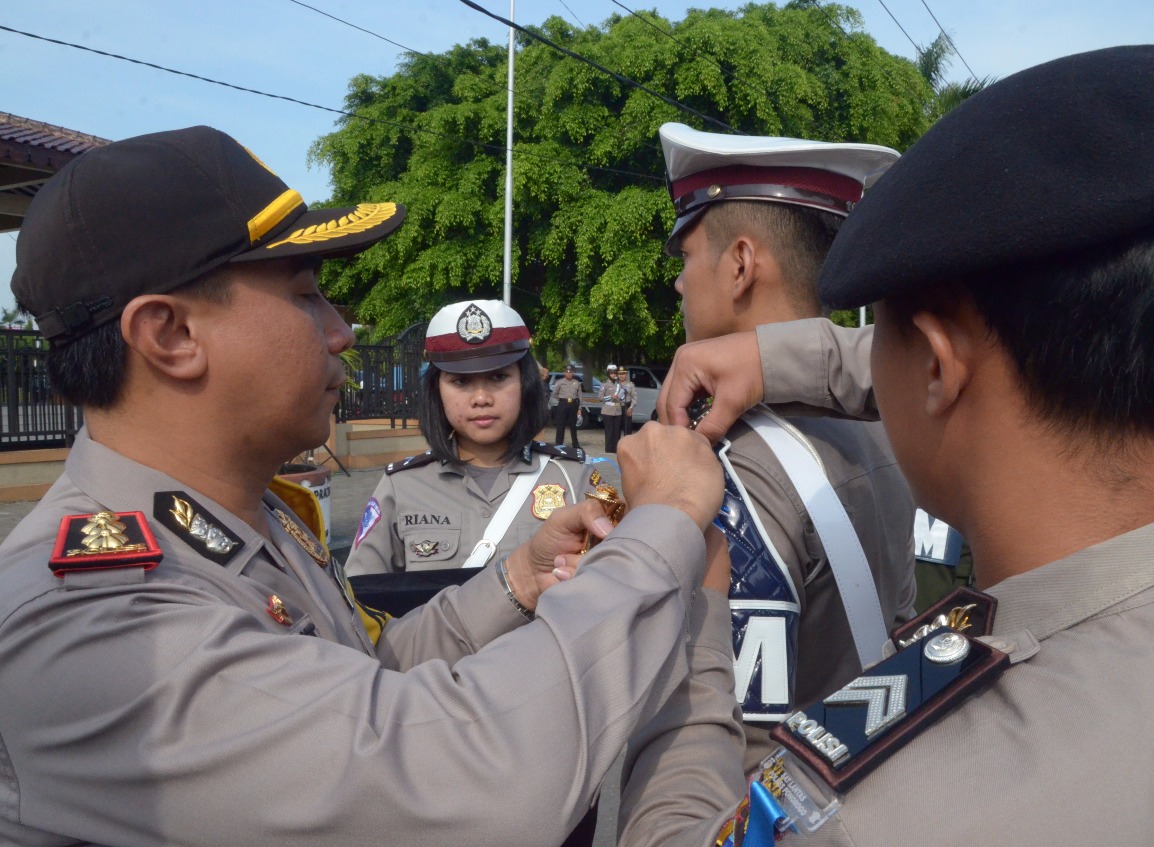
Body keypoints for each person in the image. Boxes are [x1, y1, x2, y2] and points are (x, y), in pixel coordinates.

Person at [0, 125, 732, 847]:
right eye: (304, 294)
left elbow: (364, 681)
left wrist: (520, 578)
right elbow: (465, 782)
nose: (341, 330)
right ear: (171, 336)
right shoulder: (98, 620)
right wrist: (663, 523)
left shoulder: (251, 524)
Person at [623, 45, 1154, 846]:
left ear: (937, 364)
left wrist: (687, 608)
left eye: (886, 334)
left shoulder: (884, 811)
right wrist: (779, 356)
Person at [655, 122, 917, 770]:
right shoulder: (889, 419)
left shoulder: (730, 464)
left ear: (740, 264)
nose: (679, 284)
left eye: (686, 257)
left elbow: (737, 750)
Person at [344, 300, 596, 579]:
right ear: (436, 390)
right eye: (460, 382)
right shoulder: (400, 487)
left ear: (525, 384)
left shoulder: (575, 479)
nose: (481, 399)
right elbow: (359, 602)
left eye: (498, 377)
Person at [550, 364, 584, 449]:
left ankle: (575, 445)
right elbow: (554, 394)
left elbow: (580, 396)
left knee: (573, 425)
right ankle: (558, 444)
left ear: (573, 373)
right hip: (563, 404)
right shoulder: (560, 382)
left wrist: (579, 408)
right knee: (560, 425)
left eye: (570, 372)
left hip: (573, 404)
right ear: (564, 373)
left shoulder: (577, 383)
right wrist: (562, 399)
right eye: (567, 372)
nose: (569, 374)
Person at [600, 362, 628, 452]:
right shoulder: (605, 384)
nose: (613, 375)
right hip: (608, 411)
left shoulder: (619, 384)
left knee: (617, 432)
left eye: (615, 373)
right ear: (608, 373)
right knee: (609, 432)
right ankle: (608, 450)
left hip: (617, 410)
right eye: (611, 373)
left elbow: (622, 397)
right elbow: (600, 398)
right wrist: (610, 397)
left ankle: (616, 450)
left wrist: (623, 394)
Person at [618, 367, 636, 434]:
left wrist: (631, 407)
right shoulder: (615, 384)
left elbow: (634, 397)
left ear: (626, 374)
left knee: (627, 428)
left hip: (627, 407)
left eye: (623, 374)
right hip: (617, 407)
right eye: (619, 374)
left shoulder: (630, 384)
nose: (621, 376)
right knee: (617, 428)